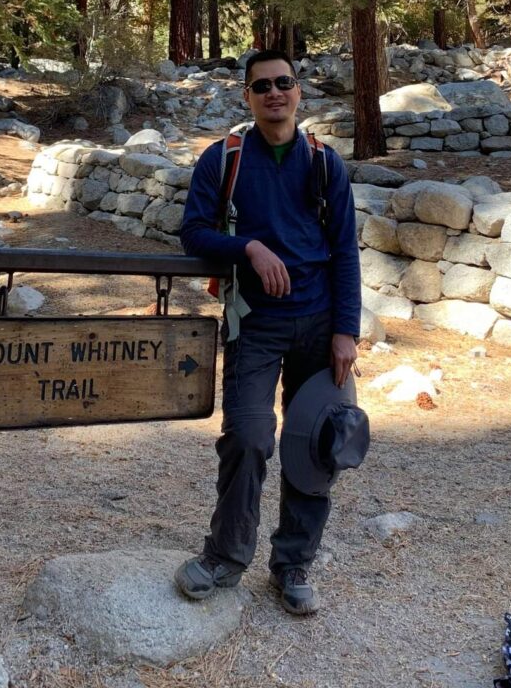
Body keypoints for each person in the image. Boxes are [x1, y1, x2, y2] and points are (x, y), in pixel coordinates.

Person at [175, 48, 361, 616]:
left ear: (299, 91)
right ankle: (225, 557)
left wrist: (346, 332)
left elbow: (345, 251)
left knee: (316, 447)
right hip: (254, 325)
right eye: (262, 86)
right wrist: (250, 248)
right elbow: (193, 234)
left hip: (319, 324)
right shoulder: (223, 159)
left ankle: (294, 564)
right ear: (247, 96)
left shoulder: (325, 163)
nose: (274, 93)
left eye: (284, 82)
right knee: (250, 438)